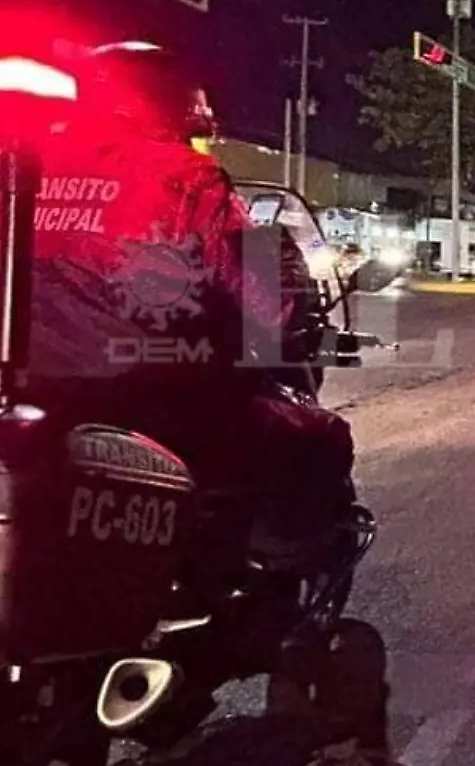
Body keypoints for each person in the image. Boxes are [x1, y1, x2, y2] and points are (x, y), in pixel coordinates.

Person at [21, 41, 354, 546]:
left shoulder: (29, 167)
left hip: (32, 391)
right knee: (318, 441)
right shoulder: (185, 176)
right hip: (155, 397)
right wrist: (290, 305)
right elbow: (264, 300)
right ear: (166, 102)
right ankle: (271, 587)